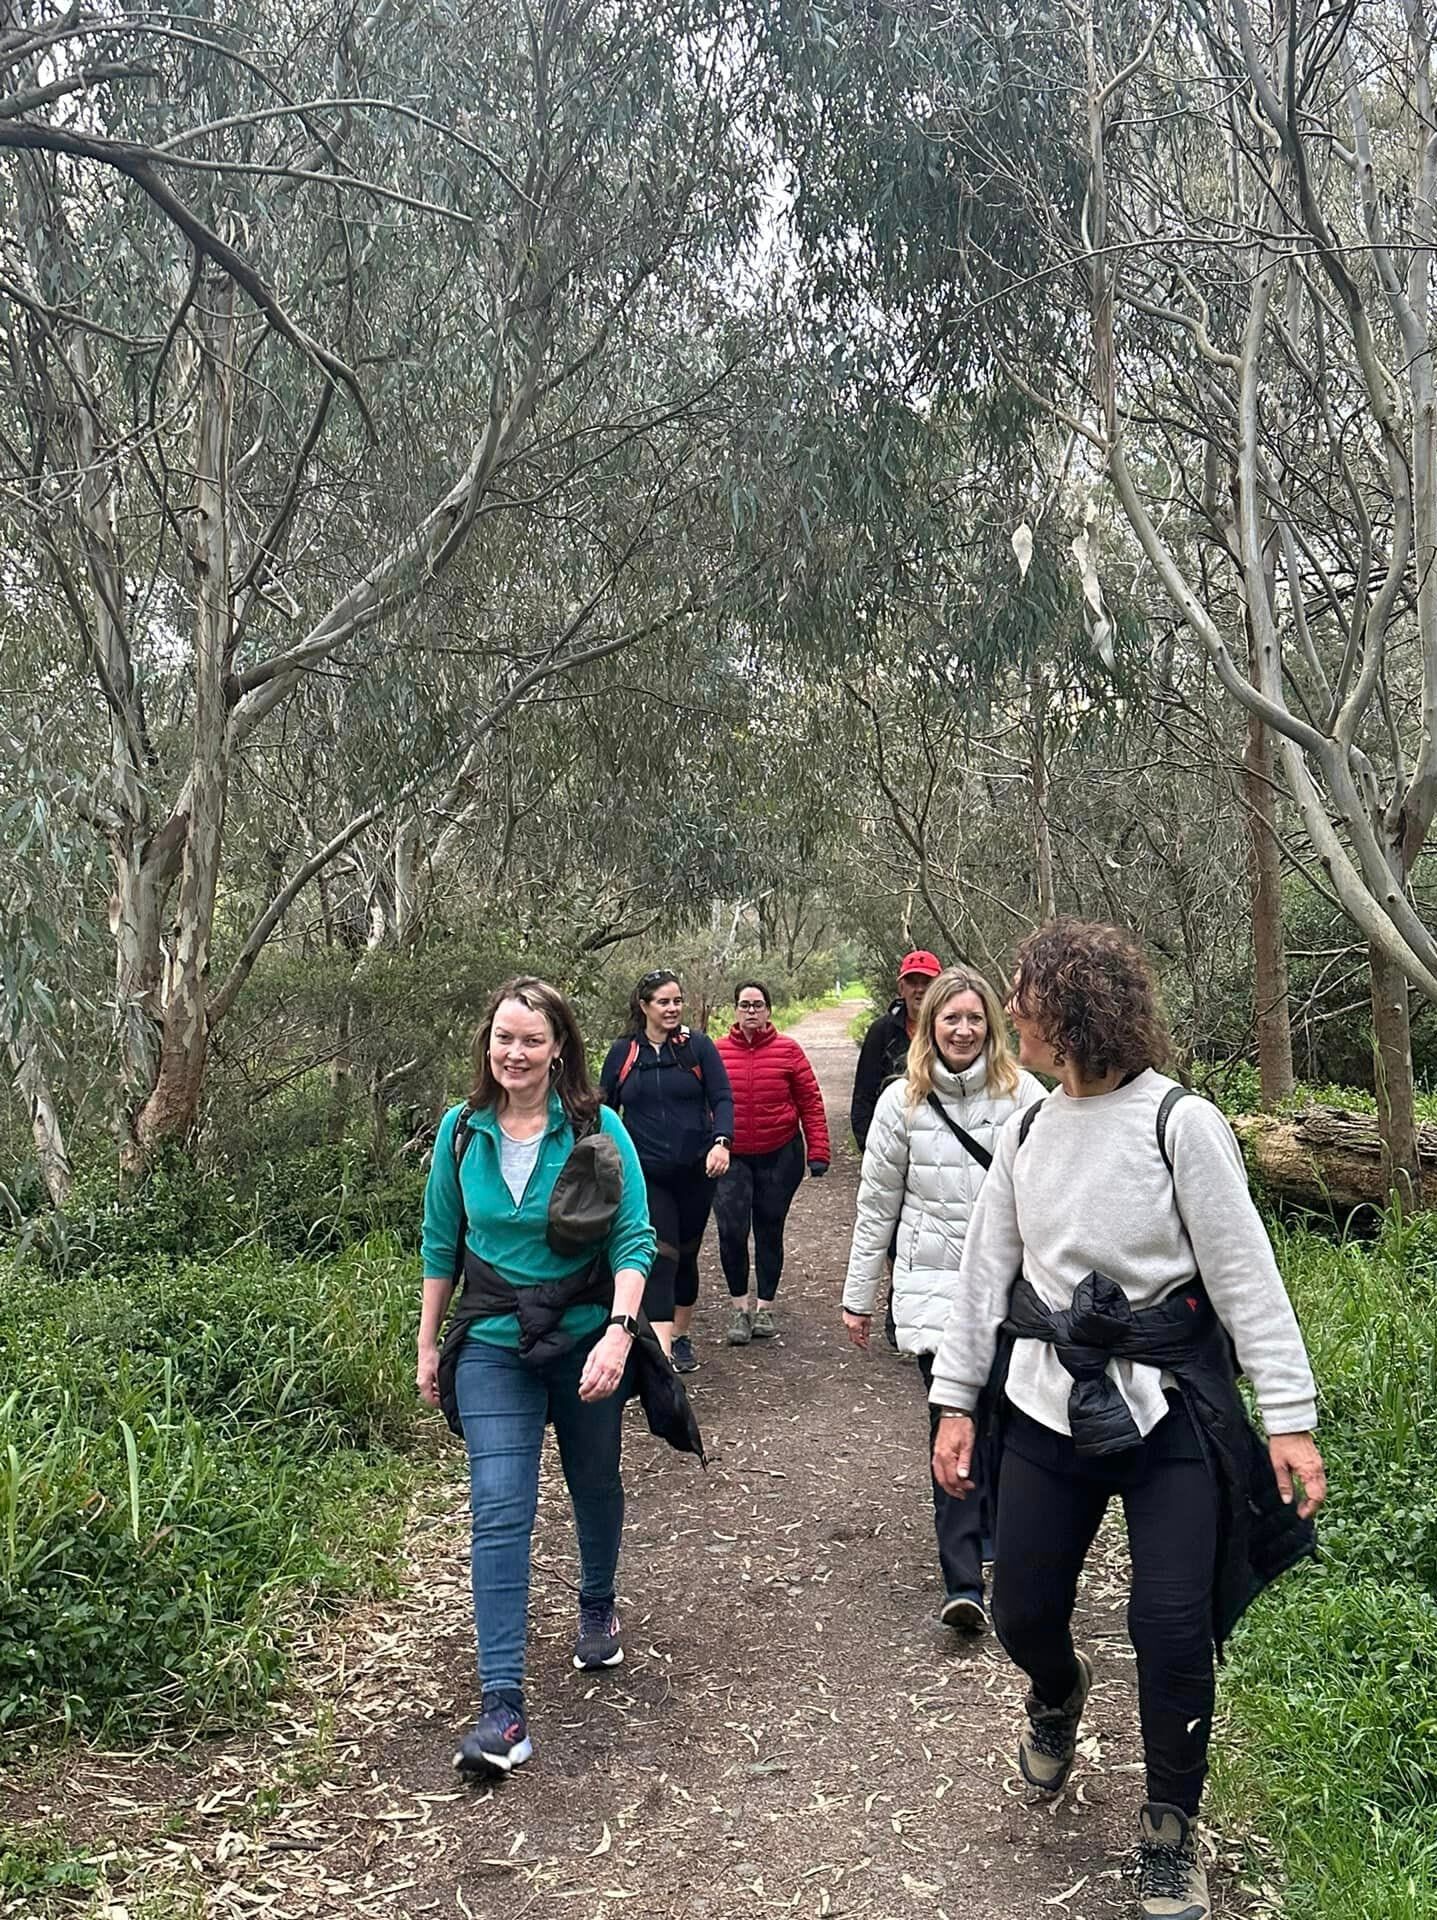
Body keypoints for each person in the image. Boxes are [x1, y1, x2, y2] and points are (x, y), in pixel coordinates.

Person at [929, 922, 1327, 1920]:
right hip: (1046, 1404)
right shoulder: (1026, 1127)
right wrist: (954, 1403)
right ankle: (1057, 1693)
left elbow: (1245, 1277)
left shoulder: (1179, 1124)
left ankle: (1169, 1827)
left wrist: (1288, 1419)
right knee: (1020, 1609)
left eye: (1025, 999)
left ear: (1074, 1013)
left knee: (1170, 1623)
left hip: (1168, 1413)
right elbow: (987, 1277)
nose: (1013, 1014)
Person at [416, 977, 658, 1777]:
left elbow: (633, 1240)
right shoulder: (460, 1133)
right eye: (502, 1038)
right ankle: (502, 1707)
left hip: (587, 1336)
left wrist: (621, 1337)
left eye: (529, 1039)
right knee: (498, 1506)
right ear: (487, 1044)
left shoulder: (598, 1128)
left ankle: (595, 1601)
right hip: (490, 1342)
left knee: (594, 1478)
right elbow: (439, 1247)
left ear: (558, 1049)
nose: (513, 1053)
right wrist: (425, 1346)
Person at [842, 965, 1042, 1632]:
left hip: (1012, 1295)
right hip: (934, 1292)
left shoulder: (1024, 1099)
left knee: (1003, 1423)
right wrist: (859, 1296)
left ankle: (996, 1538)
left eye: (973, 1018)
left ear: (992, 1026)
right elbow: (876, 1208)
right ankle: (962, 1580)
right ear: (929, 1027)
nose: (961, 1029)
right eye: (948, 1019)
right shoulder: (903, 1103)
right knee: (950, 1427)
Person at [600, 969, 734, 1372]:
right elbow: (603, 1108)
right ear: (644, 1006)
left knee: (687, 1254)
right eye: (664, 1001)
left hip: (697, 1170)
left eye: (677, 1000)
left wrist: (721, 1142)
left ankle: (680, 1335)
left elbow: (722, 1097)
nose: (673, 1008)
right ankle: (660, 1354)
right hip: (646, 1174)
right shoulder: (624, 1052)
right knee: (661, 1254)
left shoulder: (697, 1048)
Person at [713, 980, 832, 1347]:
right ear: (735, 1010)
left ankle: (764, 1306)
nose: (751, 1011)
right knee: (732, 1230)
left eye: (758, 1005)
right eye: (745, 1005)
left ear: (769, 1011)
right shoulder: (715, 1052)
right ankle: (740, 1308)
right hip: (731, 1157)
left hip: (779, 1155)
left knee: (768, 1228)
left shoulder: (788, 1050)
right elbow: (701, 1104)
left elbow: (810, 1101)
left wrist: (819, 1152)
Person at [848, 949, 943, 1150]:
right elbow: (863, 1095)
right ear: (901, 988)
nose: (919, 989)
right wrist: (868, 1147)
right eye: (912, 982)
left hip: (941, 1140)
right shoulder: (881, 1031)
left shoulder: (953, 1031)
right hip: (892, 1140)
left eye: (927, 982)